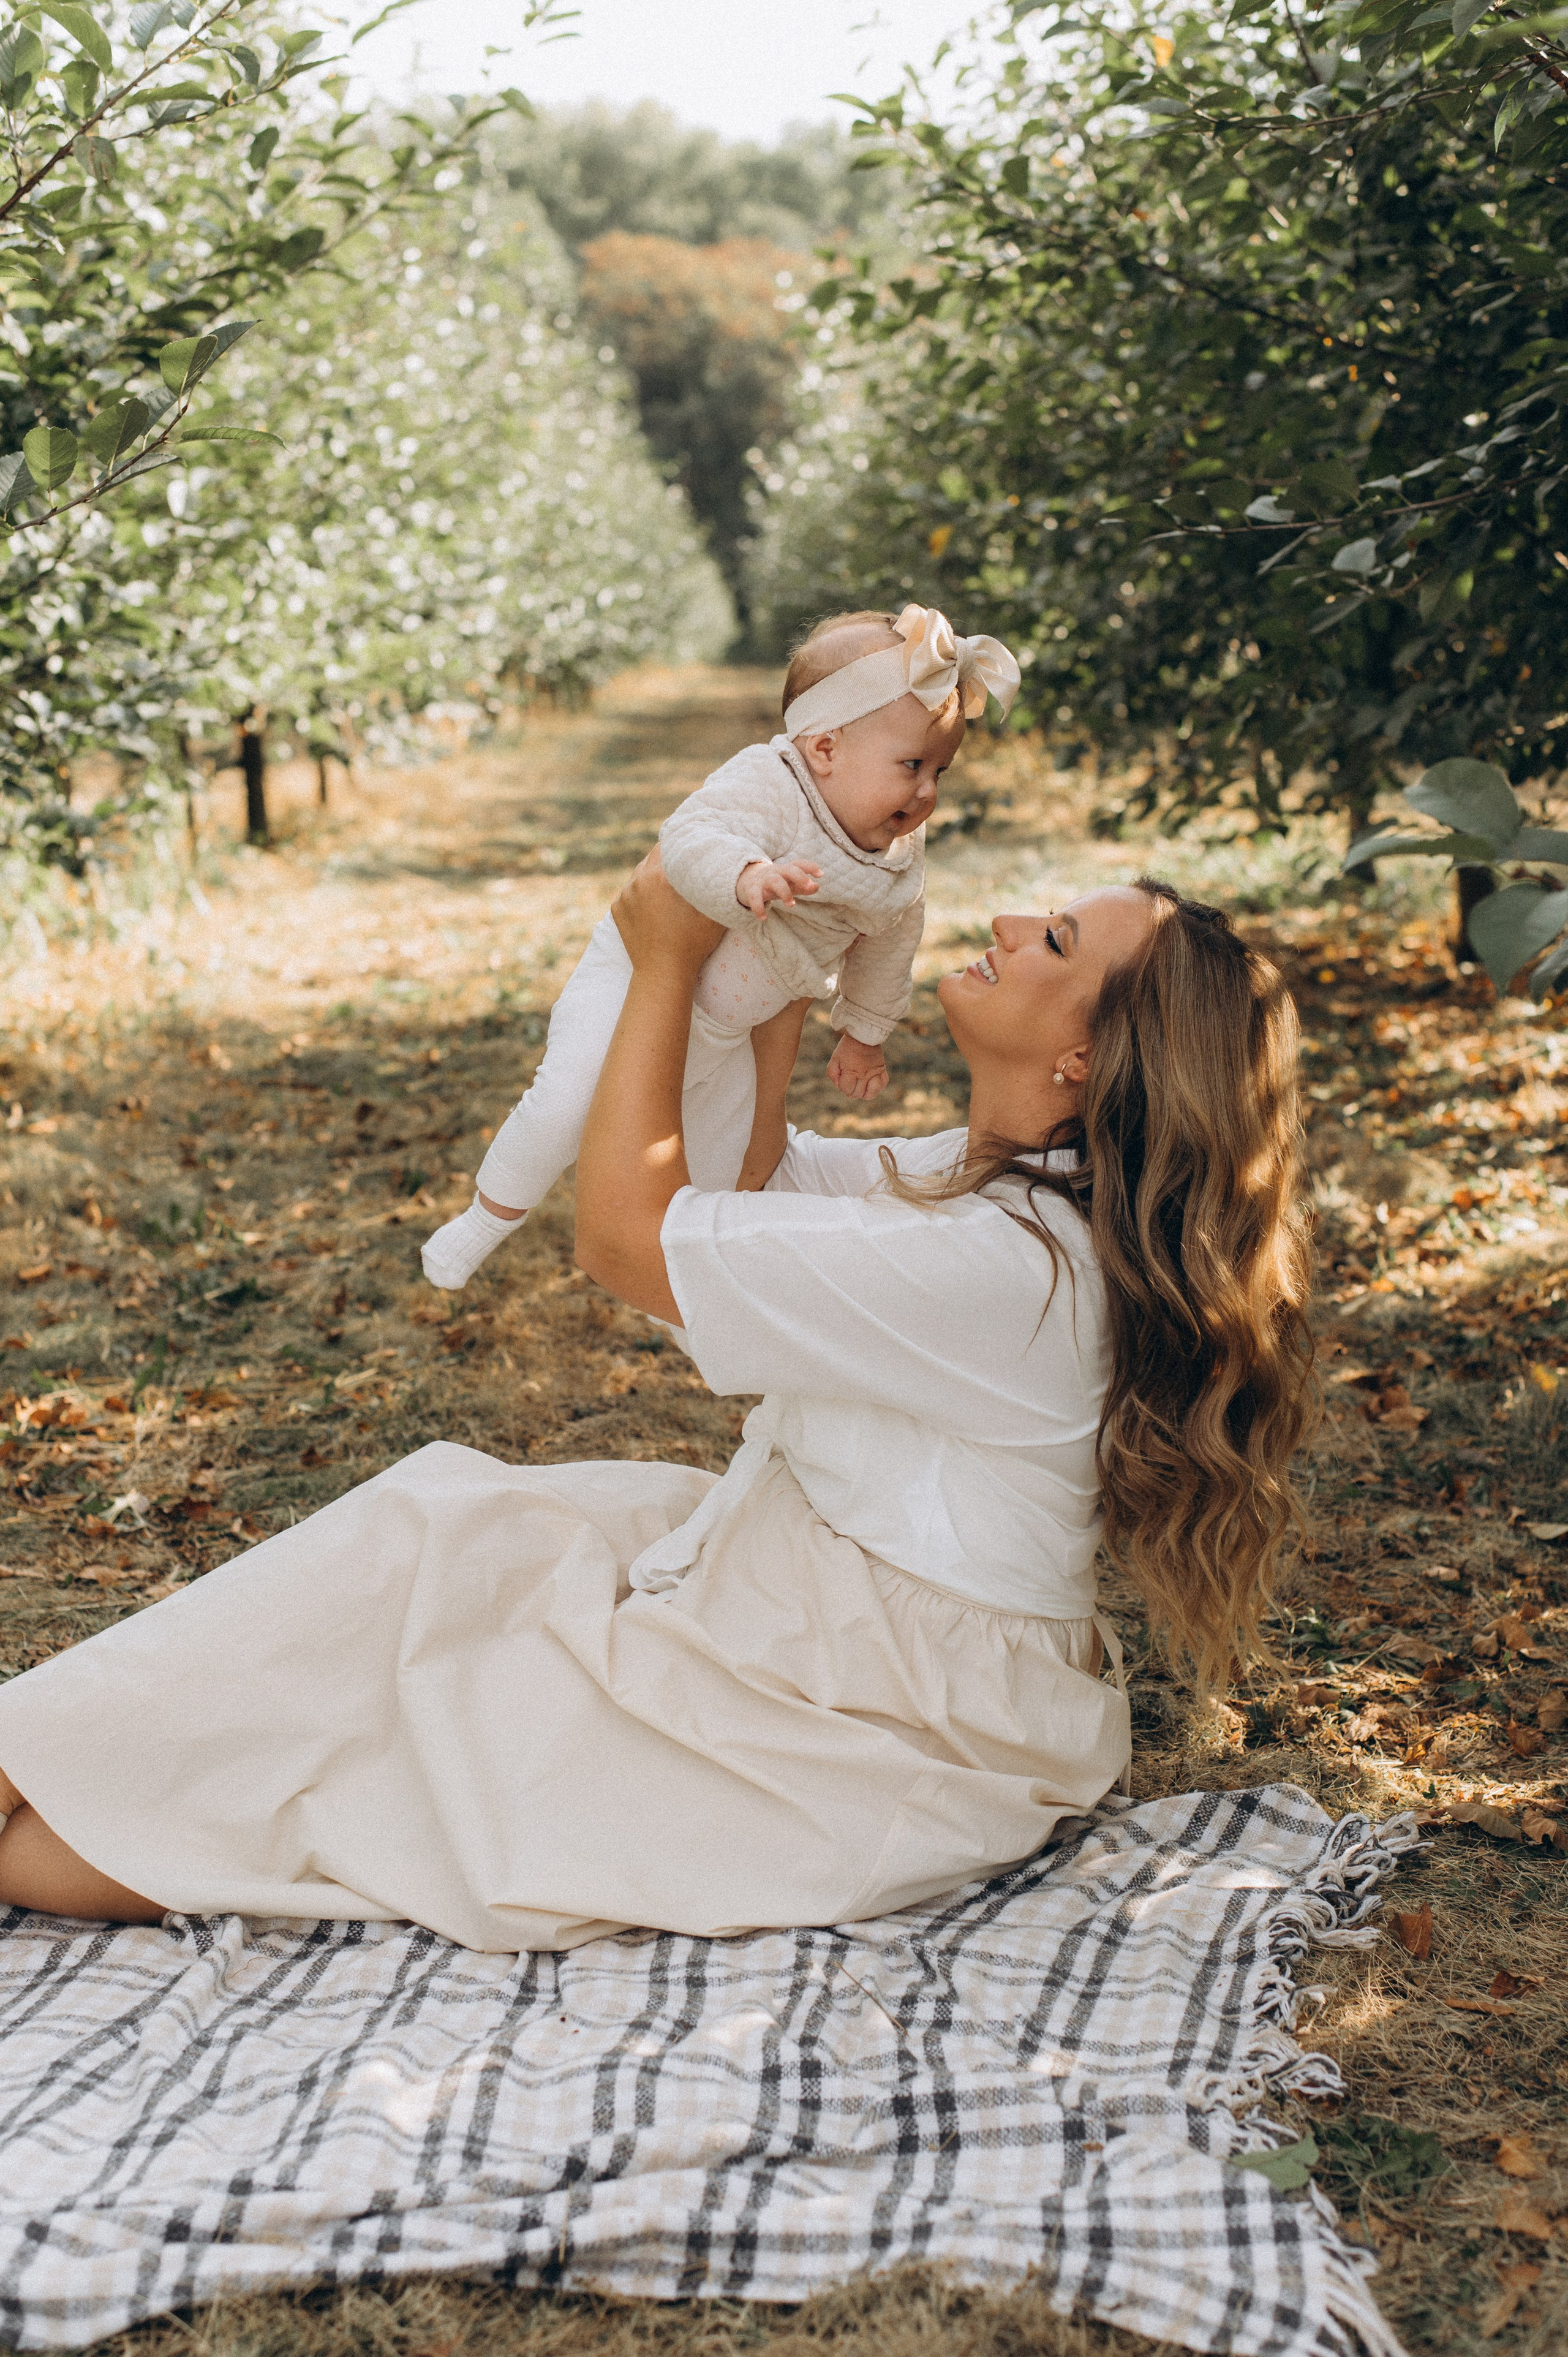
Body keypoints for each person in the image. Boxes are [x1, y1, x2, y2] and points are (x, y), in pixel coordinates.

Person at [0, 861, 1314, 1953]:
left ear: (1082, 1053)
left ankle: (61, 1808)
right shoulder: (999, 1192)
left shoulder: (1011, 1272)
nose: (1004, 921)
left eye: (1052, 936)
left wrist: (666, 962)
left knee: (389, 1764)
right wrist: (789, 964)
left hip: (863, 1718)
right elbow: (749, 1173)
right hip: (809, 1600)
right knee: (439, 1525)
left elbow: (630, 1241)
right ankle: (35, 1752)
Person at [420, 604, 1020, 1290]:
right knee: (566, 1103)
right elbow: (690, 835)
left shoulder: (895, 861)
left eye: (940, 771)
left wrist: (863, 1031)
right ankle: (489, 1217)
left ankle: (687, 1291)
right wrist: (745, 875)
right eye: (912, 764)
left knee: (720, 1168)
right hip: (632, 978)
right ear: (824, 749)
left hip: (732, 1031)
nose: (925, 792)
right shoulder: (773, 784)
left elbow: (891, 941)